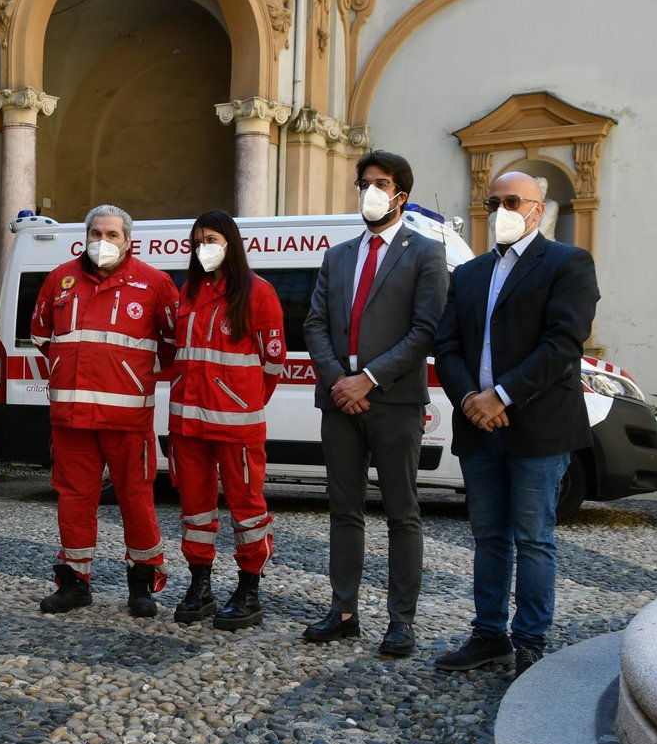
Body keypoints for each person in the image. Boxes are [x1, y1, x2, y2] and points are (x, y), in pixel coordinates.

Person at [433, 171, 599, 679]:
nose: (502, 209)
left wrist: (501, 395)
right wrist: (470, 399)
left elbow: (563, 343)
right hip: (479, 426)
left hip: (537, 426)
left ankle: (529, 641)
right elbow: (447, 346)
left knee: (533, 538)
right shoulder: (468, 273)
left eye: (513, 201)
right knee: (487, 536)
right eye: (494, 201)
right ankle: (488, 635)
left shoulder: (568, 263)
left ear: (538, 207)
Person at [301, 151, 448, 658]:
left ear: (401, 195)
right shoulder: (338, 254)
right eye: (364, 182)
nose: (370, 190)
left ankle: (400, 621)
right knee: (344, 511)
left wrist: (368, 379)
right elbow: (315, 323)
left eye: (380, 183)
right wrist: (340, 380)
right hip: (339, 401)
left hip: (395, 401)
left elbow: (424, 330)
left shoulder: (425, 252)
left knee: (402, 512)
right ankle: (343, 612)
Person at [30, 203, 178, 616]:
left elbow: (172, 345)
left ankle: (142, 584)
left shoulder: (155, 283)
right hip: (71, 419)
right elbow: (42, 336)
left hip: (128, 420)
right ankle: (74, 582)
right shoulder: (60, 279)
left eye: (112, 235)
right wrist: (67, 374)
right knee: (74, 500)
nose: (103, 242)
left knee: (136, 500)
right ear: (85, 236)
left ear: (128, 241)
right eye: (96, 233)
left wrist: (132, 377)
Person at [168, 210, 285, 630]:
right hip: (188, 425)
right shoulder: (188, 293)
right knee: (195, 511)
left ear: (231, 243)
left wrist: (242, 401)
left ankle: (248, 590)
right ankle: (200, 586)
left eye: (212, 239)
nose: (204, 248)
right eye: (197, 240)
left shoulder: (258, 292)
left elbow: (273, 363)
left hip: (236, 426)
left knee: (247, 510)